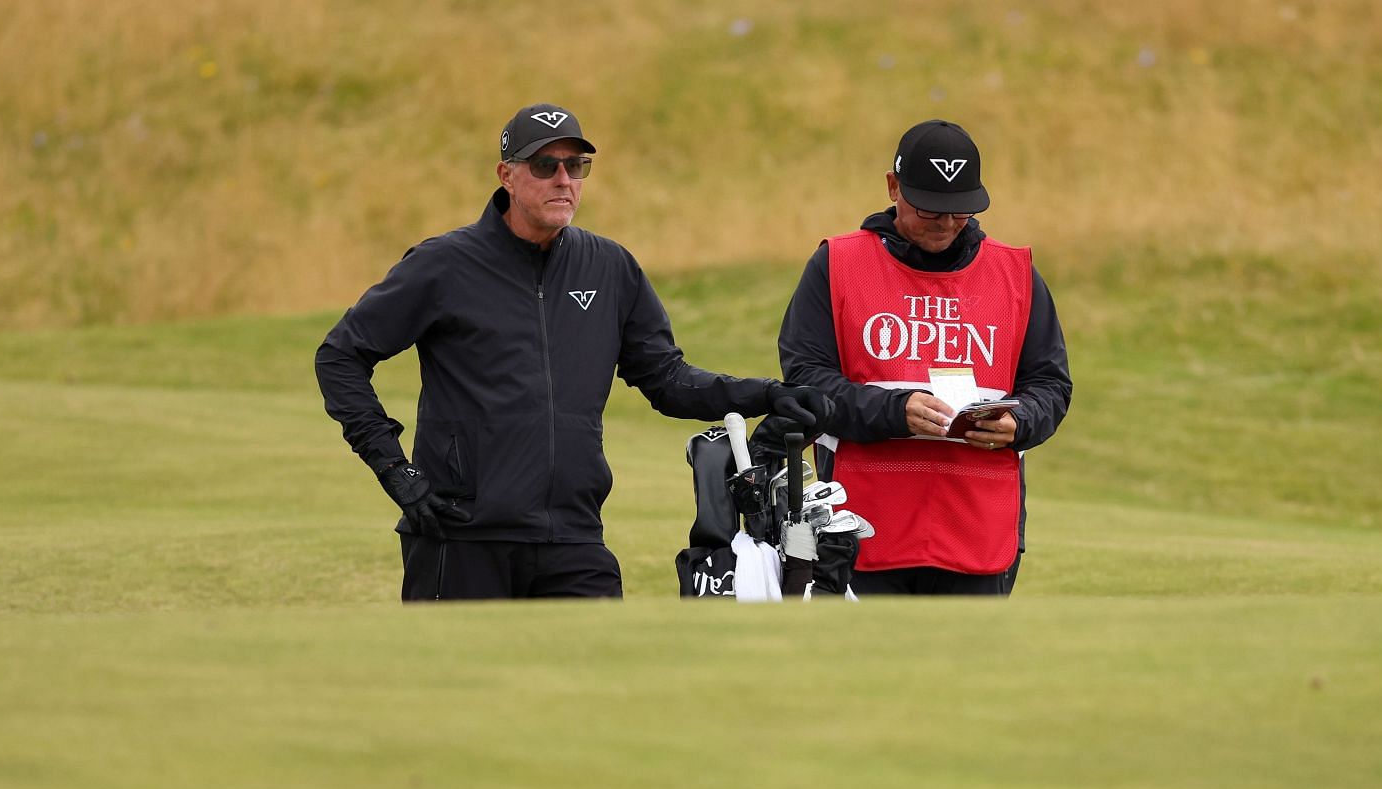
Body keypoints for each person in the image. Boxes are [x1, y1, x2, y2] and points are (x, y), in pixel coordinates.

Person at [316, 103, 832, 600]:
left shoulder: (608, 267)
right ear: (507, 174)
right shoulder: (444, 265)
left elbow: (667, 380)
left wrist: (767, 393)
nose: (564, 179)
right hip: (462, 535)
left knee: (600, 682)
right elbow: (340, 356)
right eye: (545, 165)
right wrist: (393, 469)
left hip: (574, 537)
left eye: (577, 165)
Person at [776, 119, 1071, 596]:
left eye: (959, 211)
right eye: (931, 209)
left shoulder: (1015, 273)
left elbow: (1051, 385)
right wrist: (896, 411)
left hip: (978, 527)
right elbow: (805, 381)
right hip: (860, 525)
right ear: (893, 187)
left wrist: (1022, 421)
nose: (947, 223)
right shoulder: (837, 264)